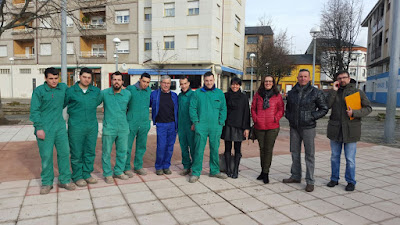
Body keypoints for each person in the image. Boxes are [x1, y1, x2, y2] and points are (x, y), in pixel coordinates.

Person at [30, 67, 76, 194]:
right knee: (46, 156)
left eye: (56, 78)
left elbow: (70, 97)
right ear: (45, 78)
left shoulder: (63, 88)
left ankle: (65, 179)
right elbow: (34, 111)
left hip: (60, 127)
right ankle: (47, 183)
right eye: (51, 78)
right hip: (45, 128)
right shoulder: (39, 91)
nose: (54, 81)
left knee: (64, 153)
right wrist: (38, 128)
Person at [283, 69, 328, 192]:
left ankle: (310, 181)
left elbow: (324, 109)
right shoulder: (291, 93)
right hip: (294, 127)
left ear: (309, 78)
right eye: (301, 76)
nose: (303, 78)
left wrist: (311, 116)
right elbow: (288, 109)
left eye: (305, 76)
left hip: (308, 127)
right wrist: (289, 117)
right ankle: (296, 176)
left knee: (309, 154)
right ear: (297, 78)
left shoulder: (316, 92)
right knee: (295, 152)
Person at [326, 70, 372, 191]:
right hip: (335, 129)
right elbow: (327, 105)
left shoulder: (357, 92)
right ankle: (334, 178)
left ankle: (351, 181)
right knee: (334, 157)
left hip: (351, 129)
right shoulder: (334, 92)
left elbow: (368, 108)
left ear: (349, 78)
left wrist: (355, 113)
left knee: (350, 159)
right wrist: (333, 92)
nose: (342, 80)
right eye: (339, 78)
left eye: (344, 77)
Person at [189, 72, 228, 183]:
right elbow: (192, 108)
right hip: (201, 125)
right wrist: (196, 122)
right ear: (203, 81)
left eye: (211, 80)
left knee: (215, 149)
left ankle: (214, 171)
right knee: (198, 149)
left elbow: (223, 109)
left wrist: (221, 122)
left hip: (215, 126)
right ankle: (196, 172)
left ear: (214, 80)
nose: (209, 83)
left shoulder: (219, 93)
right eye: (207, 81)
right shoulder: (197, 93)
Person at [65, 67, 101, 187]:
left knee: (90, 151)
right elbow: (62, 104)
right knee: (76, 152)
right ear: (79, 77)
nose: (86, 80)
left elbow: (98, 102)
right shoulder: (70, 91)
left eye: (89, 78)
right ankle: (77, 175)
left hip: (91, 126)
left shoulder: (95, 91)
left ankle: (86, 174)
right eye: (84, 77)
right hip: (76, 126)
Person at [251, 75, 284, 184]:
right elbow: (253, 108)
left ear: (273, 83)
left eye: (270, 81)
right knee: (262, 149)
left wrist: (276, 118)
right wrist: (256, 119)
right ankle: (262, 171)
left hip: (272, 127)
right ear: (263, 82)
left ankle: (266, 173)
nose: (268, 83)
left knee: (268, 150)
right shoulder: (257, 95)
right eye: (266, 81)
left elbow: (281, 109)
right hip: (259, 126)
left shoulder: (277, 96)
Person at [101, 71, 131, 183]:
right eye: (114, 79)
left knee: (122, 152)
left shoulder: (127, 94)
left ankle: (118, 171)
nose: (116, 82)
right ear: (111, 81)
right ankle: (108, 174)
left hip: (123, 128)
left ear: (122, 82)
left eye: (119, 80)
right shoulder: (104, 93)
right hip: (109, 128)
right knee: (106, 152)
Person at [221, 77, 250, 179]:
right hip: (227, 125)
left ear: (240, 85)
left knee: (237, 149)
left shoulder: (243, 97)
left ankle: (236, 170)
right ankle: (228, 169)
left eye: (237, 84)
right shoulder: (225, 96)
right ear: (230, 85)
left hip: (239, 126)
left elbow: (247, 112)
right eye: (233, 84)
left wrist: (247, 128)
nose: (235, 86)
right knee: (227, 148)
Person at [150, 76, 179, 175]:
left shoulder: (174, 95)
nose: (166, 85)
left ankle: (166, 166)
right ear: (160, 83)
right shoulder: (154, 94)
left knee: (170, 147)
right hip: (161, 125)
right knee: (161, 147)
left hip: (172, 124)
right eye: (164, 83)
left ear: (170, 84)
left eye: (168, 83)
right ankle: (159, 166)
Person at [125, 73, 151, 176]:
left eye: (148, 82)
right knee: (127, 146)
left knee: (141, 146)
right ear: (139, 80)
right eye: (144, 81)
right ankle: (126, 167)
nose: (145, 84)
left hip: (144, 123)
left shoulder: (148, 91)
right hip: (131, 122)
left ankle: (138, 166)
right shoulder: (130, 89)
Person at [178, 77, 195, 176]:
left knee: (193, 147)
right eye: (181, 84)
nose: (183, 86)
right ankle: (186, 166)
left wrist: (194, 123)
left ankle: (194, 167)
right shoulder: (179, 96)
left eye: (185, 83)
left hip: (191, 126)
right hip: (181, 126)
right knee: (183, 147)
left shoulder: (193, 95)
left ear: (188, 83)